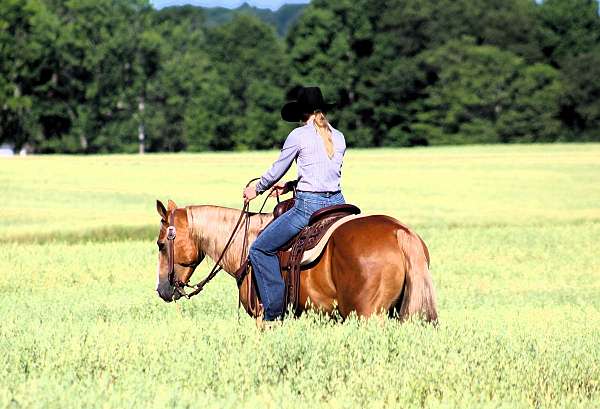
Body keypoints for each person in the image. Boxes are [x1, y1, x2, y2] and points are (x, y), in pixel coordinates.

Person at [242, 86, 347, 322]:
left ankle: (273, 314)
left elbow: (277, 169)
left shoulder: (298, 136)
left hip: (308, 208)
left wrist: (256, 188)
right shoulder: (338, 136)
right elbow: (324, 173)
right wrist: (291, 185)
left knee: (259, 249)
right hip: (339, 205)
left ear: (301, 113)